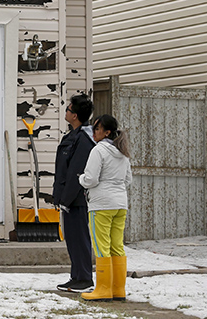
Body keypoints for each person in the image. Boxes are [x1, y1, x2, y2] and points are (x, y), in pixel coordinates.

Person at [79, 114, 132, 302]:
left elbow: (91, 179)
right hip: (120, 204)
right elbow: (128, 180)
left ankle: (103, 289)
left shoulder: (98, 150)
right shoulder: (123, 152)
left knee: (101, 246)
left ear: (107, 132)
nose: (93, 132)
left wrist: (81, 179)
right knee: (117, 246)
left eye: (97, 129)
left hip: (101, 204)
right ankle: (118, 289)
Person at [53, 93, 97, 292]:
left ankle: (85, 278)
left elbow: (75, 172)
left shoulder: (84, 139)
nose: (66, 111)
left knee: (79, 237)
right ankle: (76, 276)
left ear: (75, 115)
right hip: (68, 199)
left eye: (68, 109)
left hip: (76, 199)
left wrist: (66, 198)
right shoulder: (72, 136)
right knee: (71, 238)